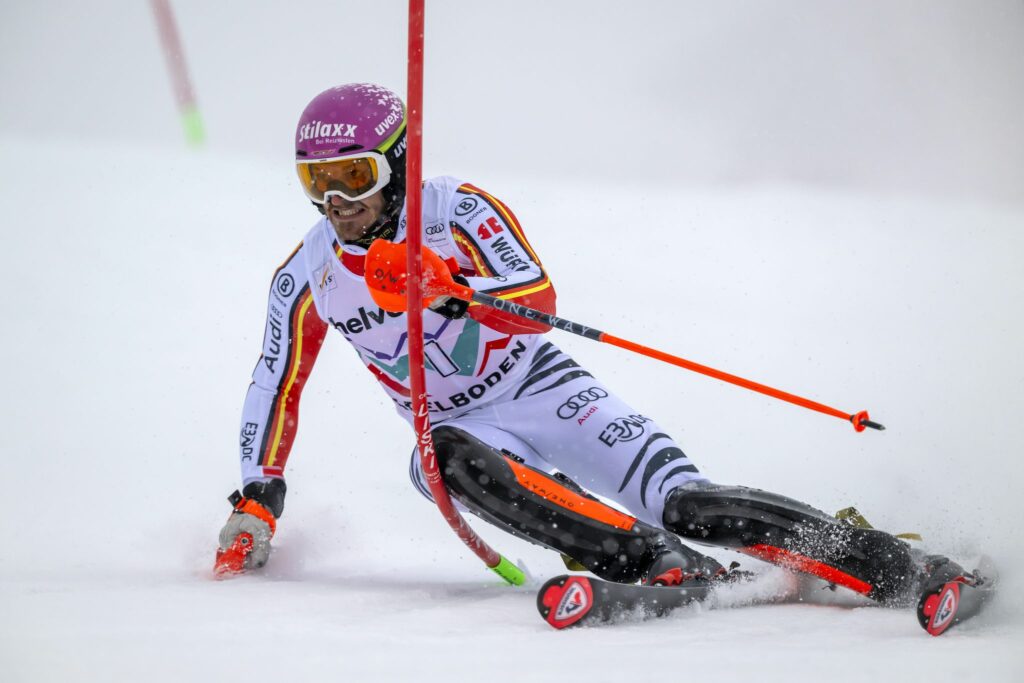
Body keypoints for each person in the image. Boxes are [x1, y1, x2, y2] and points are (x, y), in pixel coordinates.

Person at [215, 83, 950, 604]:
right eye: (318, 182)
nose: (337, 203)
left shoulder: (456, 210)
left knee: (689, 501)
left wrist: (449, 287)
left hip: (543, 388)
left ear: (398, 161)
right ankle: (654, 561)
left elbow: (538, 303)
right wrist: (258, 498)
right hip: (464, 430)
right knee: (434, 457)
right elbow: (275, 381)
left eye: (354, 177)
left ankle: (895, 562)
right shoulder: (308, 274)